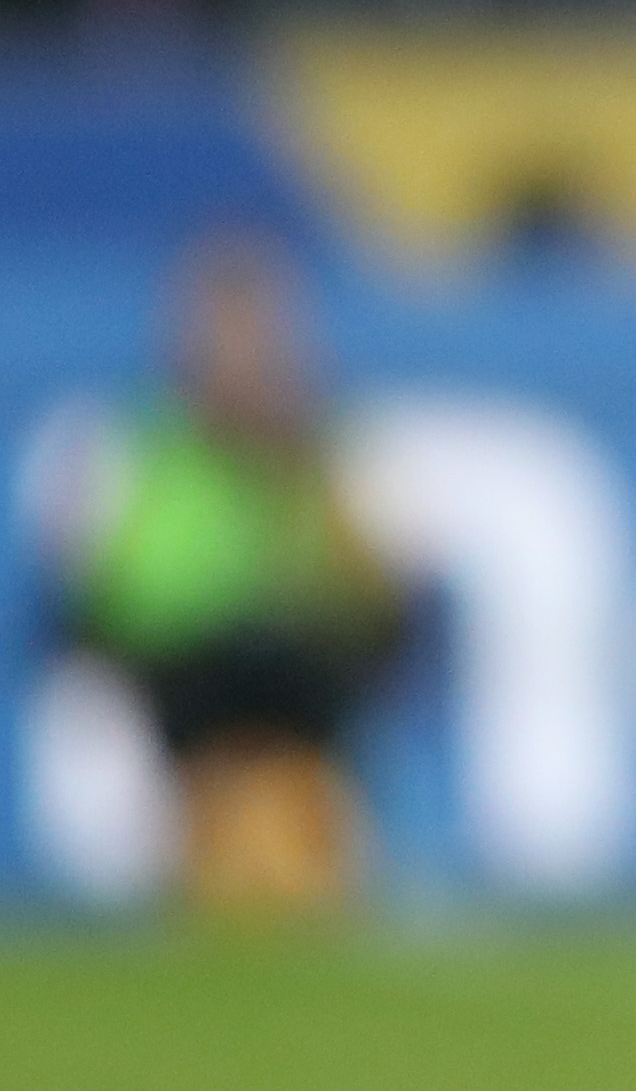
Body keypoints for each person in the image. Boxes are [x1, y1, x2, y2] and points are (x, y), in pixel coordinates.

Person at [47, 235, 411, 914]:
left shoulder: (326, 439)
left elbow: (380, 583)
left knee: (323, 668)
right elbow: (93, 584)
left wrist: (301, 475)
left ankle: (319, 853)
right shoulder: (140, 438)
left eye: (255, 327)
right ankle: (200, 853)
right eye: (223, 327)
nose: (240, 350)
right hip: (182, 654)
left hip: (303, 651)